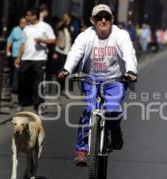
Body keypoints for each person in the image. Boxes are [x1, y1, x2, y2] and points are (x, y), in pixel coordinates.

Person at [58, 4, 138, 166]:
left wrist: (131, 71)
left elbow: (128, 53)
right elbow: (75, 52)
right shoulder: (85, 36)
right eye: (99, 18)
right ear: (92, 20)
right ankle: (81, 149)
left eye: (107, 17)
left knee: (112, 109)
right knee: (89, 110)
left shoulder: (120, 35)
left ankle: (114, 131)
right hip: (90, 79)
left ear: (112, 20)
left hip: (115, 80)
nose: (103, 20)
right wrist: (67, 69)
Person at [15, 8, 56, 111]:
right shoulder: (26, 28)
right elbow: (23, 44)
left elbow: (53, 40)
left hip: (39, 58)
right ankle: (23, 102)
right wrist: (18, 57)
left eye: (28, 15)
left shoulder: (45, 26)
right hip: (26, 58)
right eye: (26, 15)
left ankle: (39, 105)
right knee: (22, 80)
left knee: (38, 83)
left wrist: (42, 40)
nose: (26, 18)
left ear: (34, 16)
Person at [52, 13, 72, 92]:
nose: (68, 22)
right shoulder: (59, 28)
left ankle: (63, 88)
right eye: (67, 20)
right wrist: (65, 19)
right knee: (60, 70)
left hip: (67, 52)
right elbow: (60, 26)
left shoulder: (69, 29)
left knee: (66, 71)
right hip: (60, 51)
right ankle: (58, 88)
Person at [6, 17, 27, 93]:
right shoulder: (15, 29)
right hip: (15, 54)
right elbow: (10, 40)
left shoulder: (28, 30)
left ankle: (19, 88)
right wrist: (8, 49)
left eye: (24, 22)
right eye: (21, 22)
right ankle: (15, 88)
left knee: (22, 72)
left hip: (25, 55)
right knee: (16, 71)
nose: (22, 24)